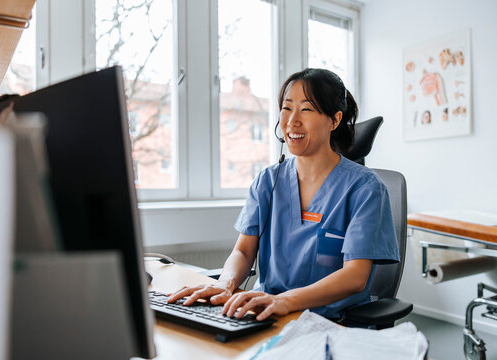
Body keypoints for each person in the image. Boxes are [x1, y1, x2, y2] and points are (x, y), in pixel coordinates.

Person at [168, 68, 399, 322]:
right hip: (265, 315)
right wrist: (226, 283)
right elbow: (244, 251)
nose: (292, 121)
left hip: (333, 324)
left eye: (307, 109)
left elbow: (355, 276)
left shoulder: (365, 188)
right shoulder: (268, 181)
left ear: (335, 120)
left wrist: (284, 301)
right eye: (287, 108)